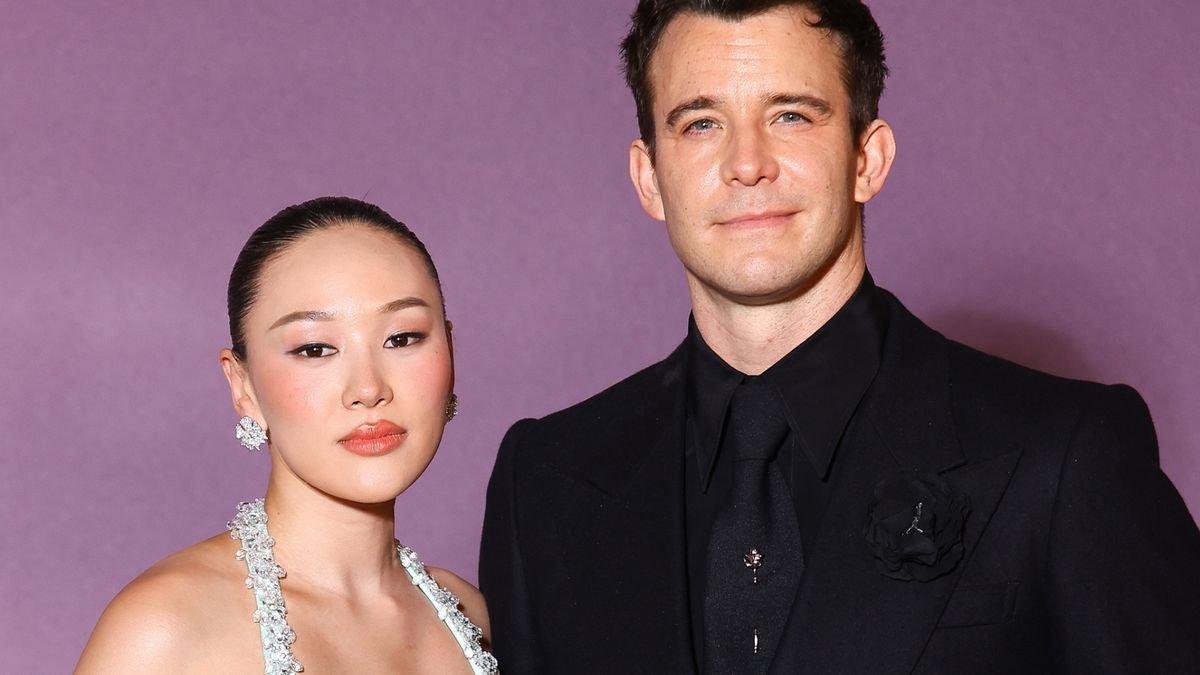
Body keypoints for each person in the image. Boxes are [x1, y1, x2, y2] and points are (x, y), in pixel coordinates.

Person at [478, 1, 1200, 673]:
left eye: (791, 115)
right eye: (701, 123)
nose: (747, 163)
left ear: (867, 159)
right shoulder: (544, 481)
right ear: (649, 178)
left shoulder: (1066, 453)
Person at [77, 197, 498, 674]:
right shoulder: (166, 630)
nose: (368, 389)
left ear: (450, 352)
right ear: (243, 386)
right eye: (315, 349)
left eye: (402, 338)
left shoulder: (474, 618)